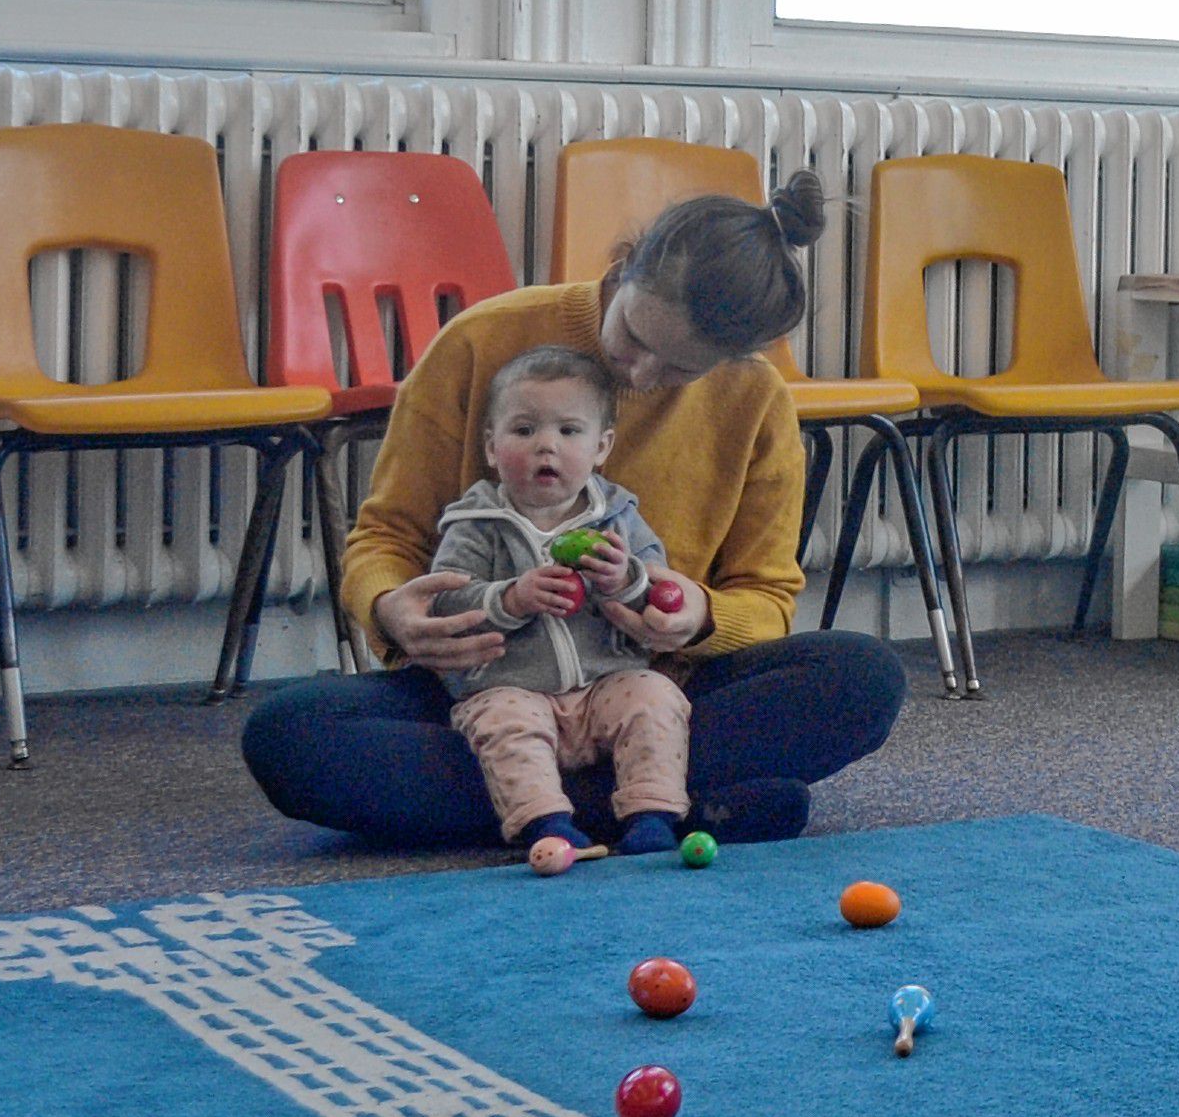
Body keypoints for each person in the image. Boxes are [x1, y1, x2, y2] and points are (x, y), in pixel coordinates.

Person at [242, 171, 904, 847]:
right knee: (291, 735)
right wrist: (389, 607)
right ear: (624, 268)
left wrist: (698, 615)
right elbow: (386, 536)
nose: (642, 376)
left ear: (732, 360)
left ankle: (551, 808)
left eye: (681, 369)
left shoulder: (757, 399)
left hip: (650, 693)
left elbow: (766, 598)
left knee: (862, 678)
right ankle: (659, 804)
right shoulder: (481, 341)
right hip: (491, 693)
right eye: (635, 337)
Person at [429, 346, 694, 860]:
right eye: (524, 431)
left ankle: (652, 816)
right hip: (513, 687)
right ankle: (547, 824)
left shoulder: (616, 516)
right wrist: (509, 597)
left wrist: (626, 579)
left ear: (602, 447)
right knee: (502, 723)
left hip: (605, 685)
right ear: (491, 446)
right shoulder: (476, 522)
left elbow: (659, 593)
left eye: (569, 432)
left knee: (656, 696)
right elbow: (444, 603)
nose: (545, 447)